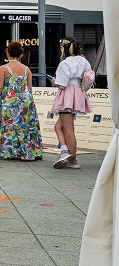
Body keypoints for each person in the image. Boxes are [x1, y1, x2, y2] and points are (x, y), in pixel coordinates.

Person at [0, 41, 43, 161]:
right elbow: (29, 88)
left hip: (10, 101)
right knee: (27, 126)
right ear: (21, 55)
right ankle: (30, 151)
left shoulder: (3, 68)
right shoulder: (27, 69)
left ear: (8, 54)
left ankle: (11, 152)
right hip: (26, 100)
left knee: (10, 125)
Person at [52, 38, 93, 170]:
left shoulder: (65, 63)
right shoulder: (84, 60)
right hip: (78, 93)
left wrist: (54, 81)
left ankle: (72, 157)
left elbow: (62, 84)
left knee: (67, 128)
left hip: (68, 94)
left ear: (63, 48)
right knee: (59, 127)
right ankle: (65, 152)